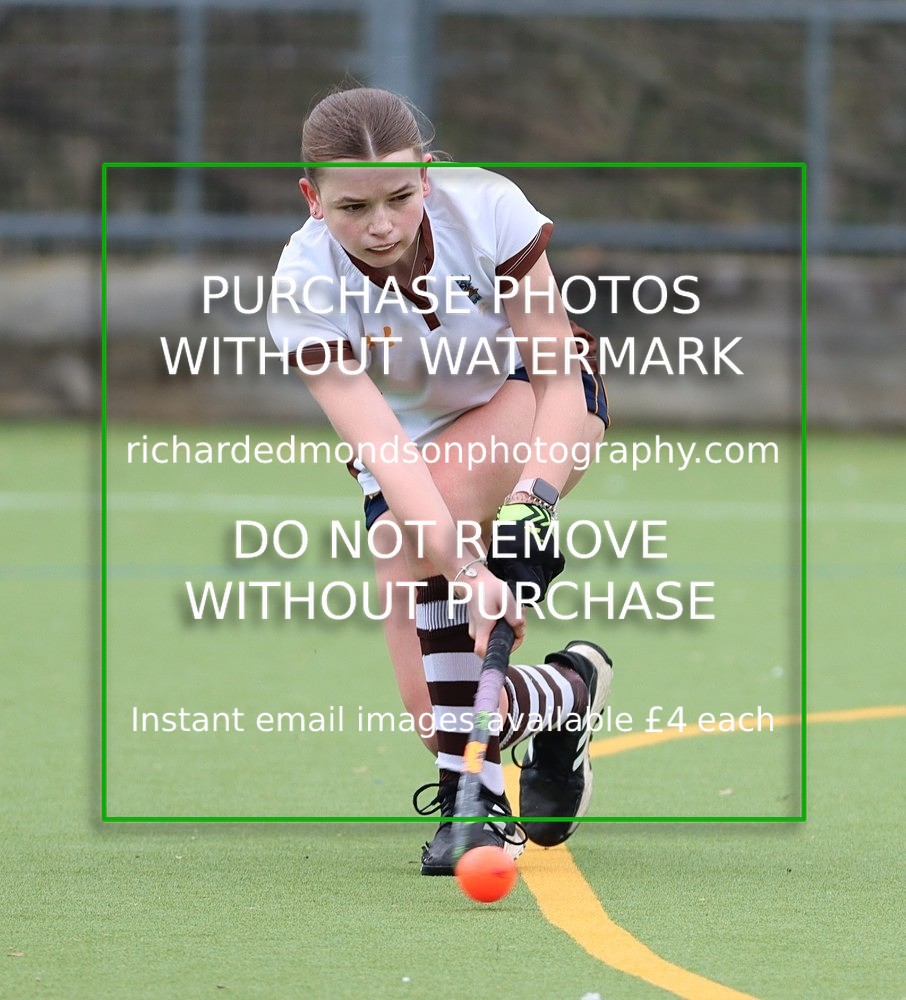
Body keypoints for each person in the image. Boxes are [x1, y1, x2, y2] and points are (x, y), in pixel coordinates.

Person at [268, 87, 613, 875]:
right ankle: (567, 694)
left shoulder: (487, 208)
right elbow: (384, 449)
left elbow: (558, 379)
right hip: (411, 450)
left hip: (530, 398)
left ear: (426, 175)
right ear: (311, 198)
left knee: (436, 514)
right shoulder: (302, 285)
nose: (382, 224)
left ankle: (477, 812)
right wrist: (466, 570)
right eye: (353, 206)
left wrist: (534, 498)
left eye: (399, 196)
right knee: (442, 721)